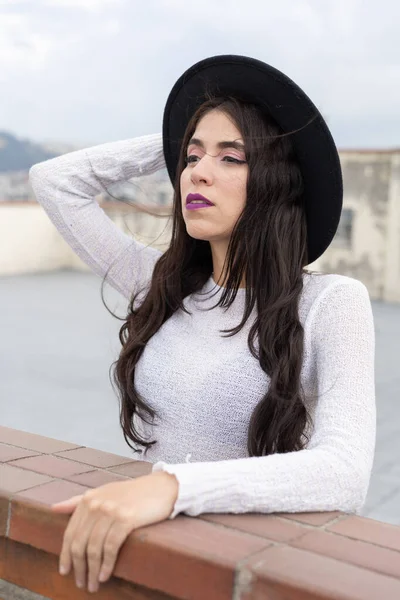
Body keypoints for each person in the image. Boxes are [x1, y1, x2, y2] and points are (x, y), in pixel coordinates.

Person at [29, 55, 376, 593]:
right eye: (191, 158)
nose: (197, 172)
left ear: (278, 181)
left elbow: (345, 473)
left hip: (247, 573)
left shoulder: (329, 303)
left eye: (232, 158)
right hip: (147, 562)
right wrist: (182, 135)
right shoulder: (162, 286)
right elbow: (54, 182)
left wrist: (172, 488)